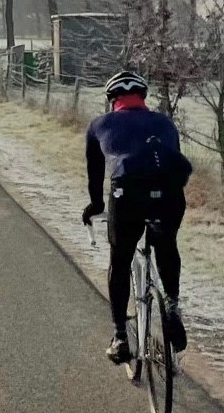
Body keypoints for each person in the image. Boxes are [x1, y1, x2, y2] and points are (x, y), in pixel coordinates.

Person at [80, 70, 192, 365]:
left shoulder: (99, 125)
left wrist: (94, 206)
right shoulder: (165, 123)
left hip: (127, 195)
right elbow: (173, 162)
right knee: (166, 244)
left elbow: (95, 176)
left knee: (120, 260)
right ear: (143, 97)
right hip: (168, 194)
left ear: (112, 100)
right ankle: (172, 306)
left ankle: (119, 336)